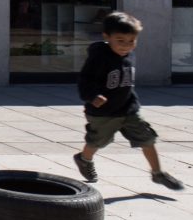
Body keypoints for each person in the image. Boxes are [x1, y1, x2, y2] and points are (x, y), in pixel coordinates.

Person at [73, 11, 184, 191]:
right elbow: (85, 80)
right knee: (98, 141)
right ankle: (84, 159)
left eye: (131, 41)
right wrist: (93, 96)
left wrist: (132, 101)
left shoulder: (128, 55)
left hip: (128, 109)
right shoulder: (99, 58)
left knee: (147, 138)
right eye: (120, 41)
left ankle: (158, 173)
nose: (126, 46)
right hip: (104, 113)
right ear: (107, 37)